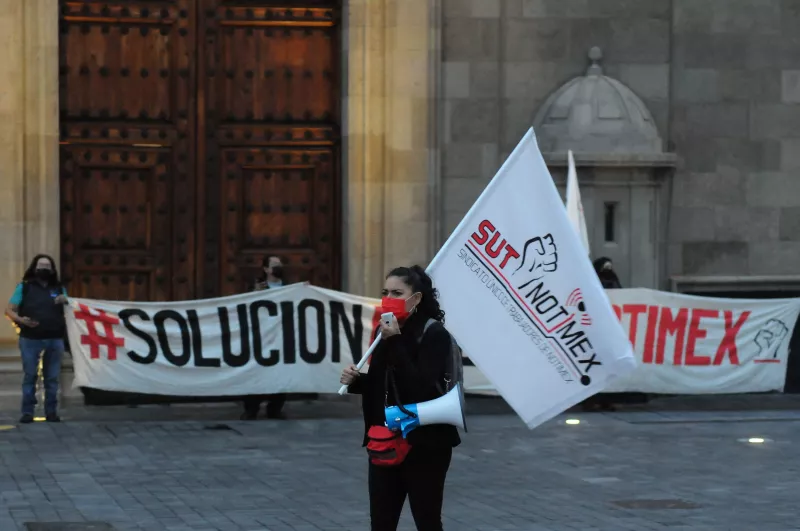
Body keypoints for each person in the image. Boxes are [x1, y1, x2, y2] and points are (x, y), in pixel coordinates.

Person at [340, 265, 460, 531]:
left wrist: (395, 342)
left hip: (425, 444)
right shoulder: (384, 331)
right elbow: (384, 384)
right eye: (385, 292)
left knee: (427, 520)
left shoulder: (433, 334)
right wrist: (356, 382)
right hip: (386, 439)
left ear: (415, 298)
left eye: (397, 292)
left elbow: (422, 388)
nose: (388, 298)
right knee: (381, 522)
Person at [5, 255, 69, 424]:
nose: (44, 269)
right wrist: (21, 320)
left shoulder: (59, 287)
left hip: (54, 338)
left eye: (47, 266)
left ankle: (51, 412)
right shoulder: (25, 287)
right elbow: (9, 310)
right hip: (30, 339)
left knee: (52, 378)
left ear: (53, 269)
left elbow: (71, 309)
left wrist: (66, 301)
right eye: (41, 266)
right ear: (34, 268)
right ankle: (27, 412)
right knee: (30, 375)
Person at [241, 255, 288, 420]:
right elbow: (243, 308)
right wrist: (254, 293)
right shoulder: (257, 287)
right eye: (275, 265)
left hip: (282, 337)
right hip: (260, 337)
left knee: (281, 373)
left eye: (280, 264)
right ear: (266, 269)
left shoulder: (290, 287)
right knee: (256, 372)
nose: (278, 267)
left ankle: (275, 408)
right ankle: (251, 408)